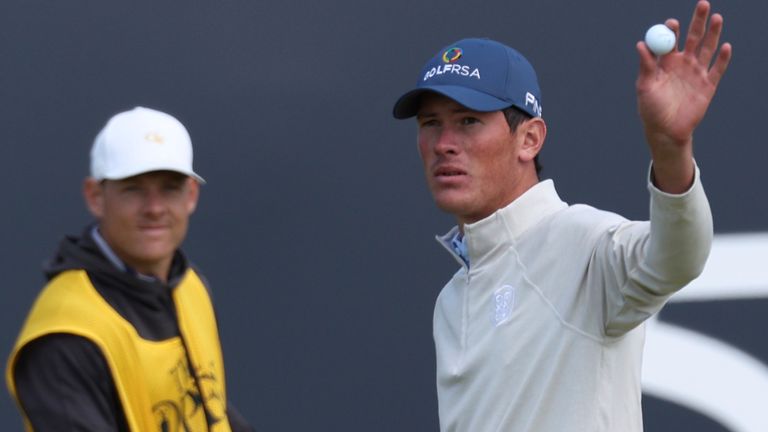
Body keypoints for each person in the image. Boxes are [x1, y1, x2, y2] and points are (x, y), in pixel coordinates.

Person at [392, 1, 731, 431]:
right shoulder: (451, 299)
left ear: (529, 139)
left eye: (469, 121)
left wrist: (671, 149)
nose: (443, 143)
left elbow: (678, 258)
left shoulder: (580, 241)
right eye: (430, 123)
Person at [6, 107, 253, 431]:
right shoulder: (66, 335)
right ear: (95, 196)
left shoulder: (190, 286)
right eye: (133, 188)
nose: (154, 208)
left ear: (191, 195)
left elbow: (212, 412)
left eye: (170, 188)